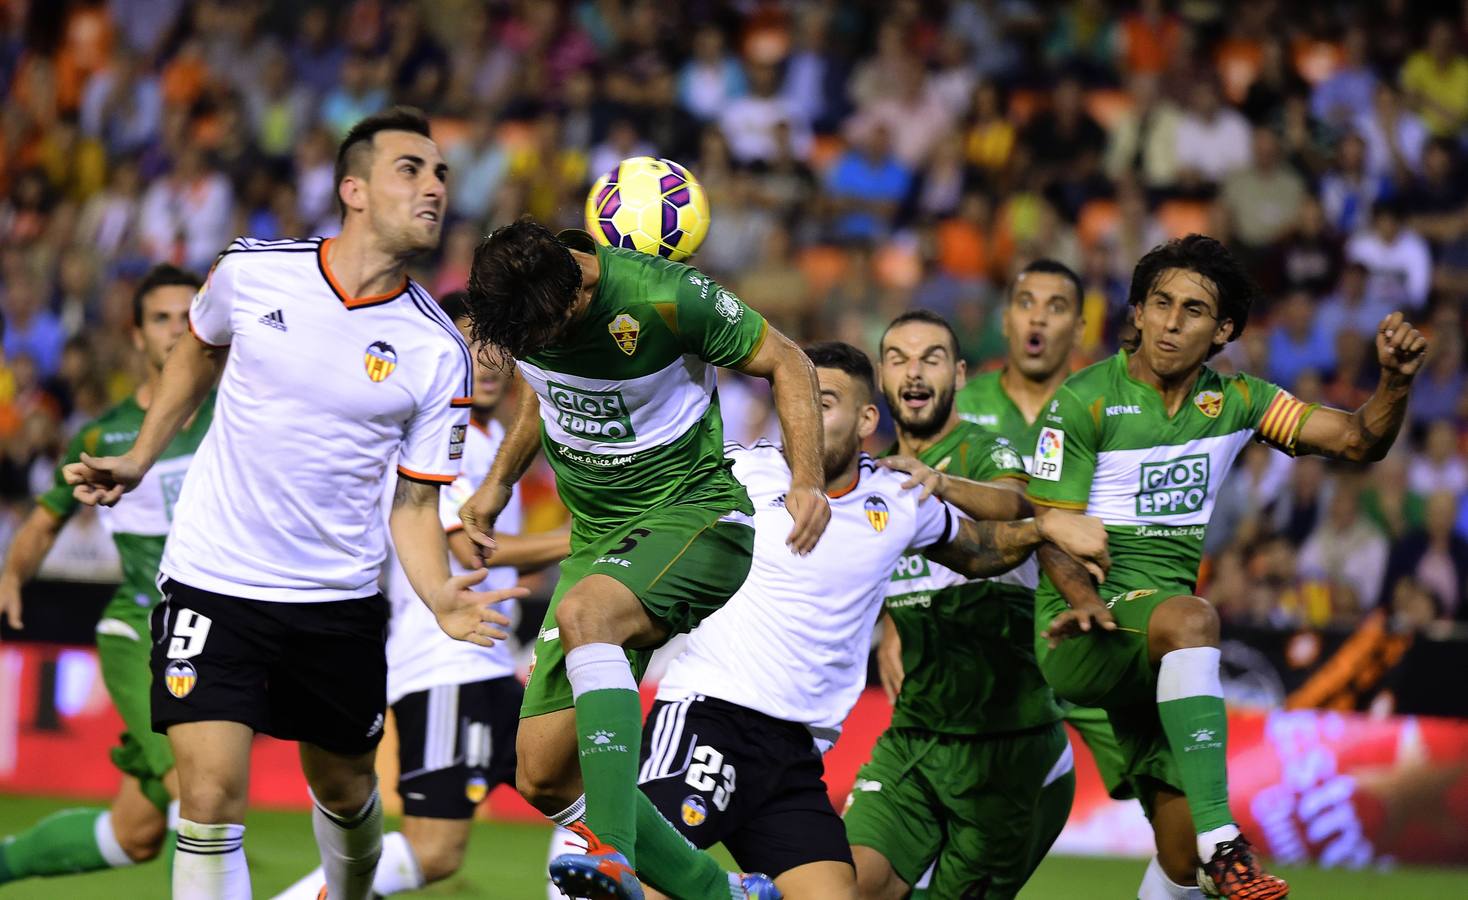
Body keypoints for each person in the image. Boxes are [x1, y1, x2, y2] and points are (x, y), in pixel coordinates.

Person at [64, 108, 524, 900]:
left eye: (442, 174)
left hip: (335, 604)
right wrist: (143, 456)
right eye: (410, 169)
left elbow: (415, 509)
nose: (434, 187)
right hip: (213, 580)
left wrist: (439, 597)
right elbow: (198, 348)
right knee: (207, 802)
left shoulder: (436, 349)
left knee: (347, 795)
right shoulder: (253, 271)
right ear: (353, 189)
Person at [1029, 234, 1427, 900]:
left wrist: (1393, 383)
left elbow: (1358, 439)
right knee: (1194, 618)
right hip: (1082, 626)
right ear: (1136, 311)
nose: (1171, 322)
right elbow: (1048, 531)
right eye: (1159, 303)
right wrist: (1080, 593)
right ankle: (1229, 845)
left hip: (1158, 653)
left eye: (1192, 310)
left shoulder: (1239, 399)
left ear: (1225, 329)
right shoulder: (1083, 401)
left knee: (1178, 860)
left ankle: (1202, 850)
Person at [636, 342, 1108, 900]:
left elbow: (980, 549)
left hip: (797, 751)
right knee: (651, 881)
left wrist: (1044, 529)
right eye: (797, 400)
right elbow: (639, 519)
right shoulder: (739, 471)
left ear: (866, 419)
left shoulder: (898, 498)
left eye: (825, 402)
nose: (806, 416)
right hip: (712, 719)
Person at [457, 220, 831, 900]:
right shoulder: (530, 317)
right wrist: (497, 484)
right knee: (542, 777)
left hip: (696, 516)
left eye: (541, 332)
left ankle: (611, 855)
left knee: (583, 614)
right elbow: (538, 394)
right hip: (597, 542)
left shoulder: (667, 297)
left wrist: (807, 478)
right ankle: (721, 894)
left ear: (573, 290)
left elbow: (788, 361)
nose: (535, 347)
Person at [274, 292, 570, 899]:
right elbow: (469, 548)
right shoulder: (443, 438)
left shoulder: (488, 442)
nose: (486, 360)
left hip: (481, 661)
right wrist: (580, 539)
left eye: (498, 346)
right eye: (469, 344)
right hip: (444, 664)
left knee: (593, 790)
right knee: (436, 851)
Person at [845, 310, 1094, 900]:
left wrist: (940, 483)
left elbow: (1016, 505)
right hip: (913, 737)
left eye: (931, 358)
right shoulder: (873, 478)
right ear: (882, 377)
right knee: (843, 886)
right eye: (900, 358)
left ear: (957, 374)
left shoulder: (985, 449)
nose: (915, 371)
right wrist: (890, 626)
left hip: (1007, 749)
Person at [0, 264, 211, 888]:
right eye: (160, 318)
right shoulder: (106, 432)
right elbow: (43, 522)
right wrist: (13, 576)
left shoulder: (235, 411)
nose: (176, 330)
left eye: (186, 315)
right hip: (139, 635)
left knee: (135, 833)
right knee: (198, 794)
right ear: (137, 336)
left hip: (216, 636)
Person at [951, 259, 1136, 816]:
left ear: (1080, 328)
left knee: (1156, 781)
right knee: (965, 802)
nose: (1038, 319)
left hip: (1078, 620)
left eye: (1056, 308)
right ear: (1006, 319)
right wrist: (889, 623)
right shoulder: (962, 408)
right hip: (981, 627)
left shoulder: (1105, 408)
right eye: (1026, 303)